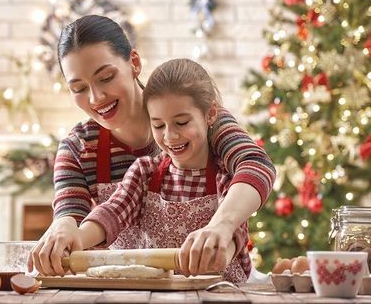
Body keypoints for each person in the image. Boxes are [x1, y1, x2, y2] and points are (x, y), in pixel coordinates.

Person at [27, 15, 276, 278]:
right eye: (78, 88)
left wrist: (221, 227)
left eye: (106, 77)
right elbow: (75, 216)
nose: (95, 98)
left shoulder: (198, 118)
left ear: (134, 63)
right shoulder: (79, 147)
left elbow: (255, 165)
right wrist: (63, 228)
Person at [56, 58, 267, 282]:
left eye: (182, 122)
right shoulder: (144, 172)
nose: (170, 136)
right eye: (158, 125)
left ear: (211, 113)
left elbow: (235, 232)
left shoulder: (225, 176)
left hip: (219, 294)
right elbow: (112, 212)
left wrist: (221, 244)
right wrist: (76, 239)